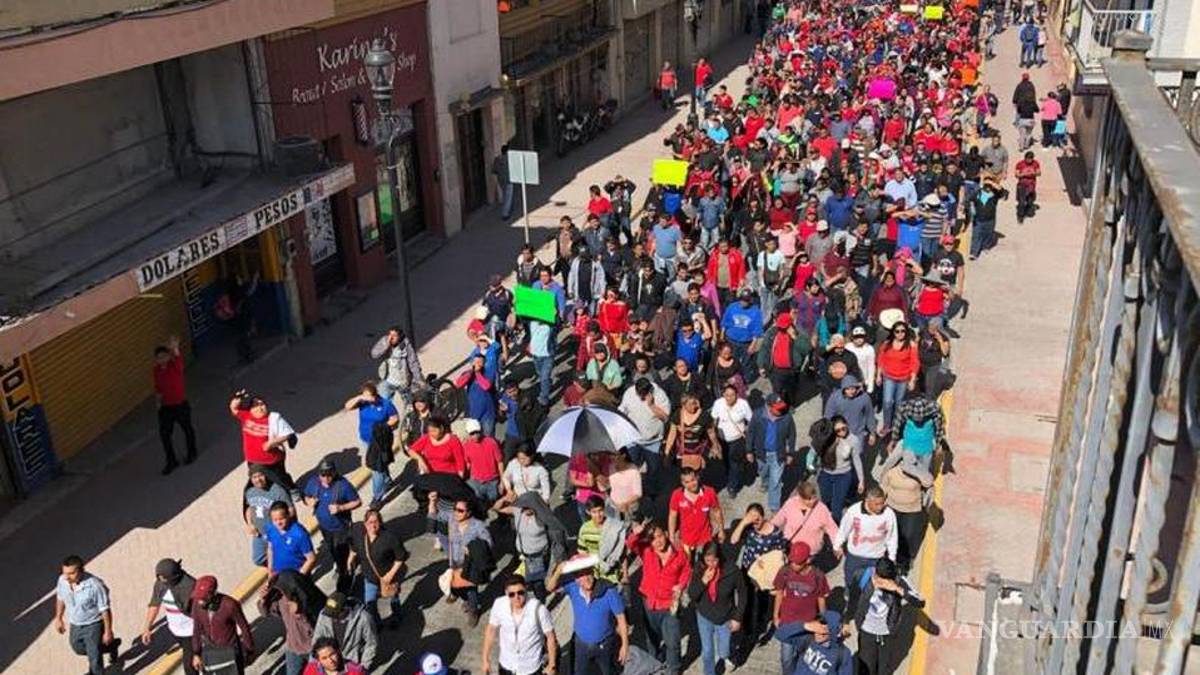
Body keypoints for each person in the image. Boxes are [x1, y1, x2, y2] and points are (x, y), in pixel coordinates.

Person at [546, 555, 630, 674]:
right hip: (581, 646)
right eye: (581, 575)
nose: (586, 578)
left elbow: (621, 618)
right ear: (576, 579)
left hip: (605, 645)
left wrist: (625, 645)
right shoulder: (572, 587)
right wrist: (559, 570)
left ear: (593, 572)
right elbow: (550, 588)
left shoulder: (609, 591)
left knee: (609, 672)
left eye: (588, 572)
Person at [626, 521, 691, 675]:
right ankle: (654, 664)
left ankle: (673, 670)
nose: (658, 541)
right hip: (649, 603)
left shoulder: (679, 553)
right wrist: (637, 532)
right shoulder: (646, 551)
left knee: (672, 642)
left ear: (666, 535)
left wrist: (680, 586)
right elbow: (630, 543)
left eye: (660, 536)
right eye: (653, 539)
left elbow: (686, 571)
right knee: (652, 639)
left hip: (670, 605)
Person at [730, 503, 788, 653]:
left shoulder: (775, 533)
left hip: (764, 575)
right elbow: (733, 541)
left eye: (758, 519)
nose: (755, 523)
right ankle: (747, 629)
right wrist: (744, 522)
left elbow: (781, 554)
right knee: (747, 601)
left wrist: (767, 562)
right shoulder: (748, 528)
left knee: (762, 602)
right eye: (752, 519)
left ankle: (759, 625)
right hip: (748, 571)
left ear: (764, 517)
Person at [852, 558, 924, 675]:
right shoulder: (863, 576)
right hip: (866, 632)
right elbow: (853, 600)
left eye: (883, 581)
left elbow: (920, 602)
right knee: (865, 667)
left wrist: (897, 589)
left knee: (884, 669)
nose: (879, 583)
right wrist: (847, 621)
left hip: (886, 633)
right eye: (877, 579)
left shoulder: (898, 581)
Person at [834, 487, 899, 610]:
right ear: (867, 501)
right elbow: (844, 530)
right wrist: (837, 545)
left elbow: (892, 537)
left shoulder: (889, 514)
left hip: (876, 558)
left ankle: (867, 605)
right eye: (877, 504)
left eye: (882, 503)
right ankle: (850, 601)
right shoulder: (854, 512)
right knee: (850, 581)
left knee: (873, 585)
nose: (880, 507)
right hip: (855, 557)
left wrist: (891, 558)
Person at [687, 543, 747, 675]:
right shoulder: (699, 568)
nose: (711, 564)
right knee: (707, 651)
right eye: (707, 560)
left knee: (723, 651)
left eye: (714, 560)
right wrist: (703, 581)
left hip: (724, 616)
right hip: (704, 615)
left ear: (720, 558)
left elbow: (743, 593)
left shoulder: (732, 571)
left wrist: (737, 617)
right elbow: (692, 594)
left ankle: (730, 655)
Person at [55, 555, 120, 675]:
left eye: (71, 573)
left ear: (81, 571)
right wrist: (58, 618)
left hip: (93, 625)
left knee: (95, 660)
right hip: (75, 624)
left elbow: (105, 610)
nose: (67, 577)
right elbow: (60, 598)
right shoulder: (62, 581)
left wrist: (108, 631)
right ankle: (111, 647)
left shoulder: (95, 585)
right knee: (77, 648)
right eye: (65, 573)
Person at [773, 542, 832, 675]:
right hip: (787, 622)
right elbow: (779, 593)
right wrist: (776, 615)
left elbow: (821, 598)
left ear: (808, 560)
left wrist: (823, 621)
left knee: (806, 657)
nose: (794, 565)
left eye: (798, 563)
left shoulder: (818, 576)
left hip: (809, 624)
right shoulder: (785, 571)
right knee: (786, 658)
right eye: (792, 561)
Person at [303, 460, 361, 593]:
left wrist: (341, 507)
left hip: (341, 528)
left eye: (329, 474)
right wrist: (309, 501)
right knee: (332, 549)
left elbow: (357, 501)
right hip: (324, 527)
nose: (326, 478)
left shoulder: (343, 485)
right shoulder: (313, 483)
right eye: (323, 475)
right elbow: (305, 495)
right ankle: (342, 564)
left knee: (341, 553)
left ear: (334, 473)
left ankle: (345, 580)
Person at [483, 575, 559, 675]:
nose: (516, 597)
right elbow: (491, 630)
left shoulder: (538, 609)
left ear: (526, 590)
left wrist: (552, 664)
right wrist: (485, 660)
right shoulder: (499, 605)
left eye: (520, 592)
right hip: (506, 665)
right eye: (512, 594)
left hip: (530, 668)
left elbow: (550, 636)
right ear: (506, 593)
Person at [875, 451, 935, 574]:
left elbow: (929, 482)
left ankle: (903, 563)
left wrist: (917, 471)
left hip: (912, 510)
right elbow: (883, 488)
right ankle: (888, 560)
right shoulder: (892, 473)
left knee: (907, 536)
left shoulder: (919, 475)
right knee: (891, 534)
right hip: (892, 509)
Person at [347, 508, 408, 624]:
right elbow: (354, 549)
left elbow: (400, 558)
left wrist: (390, 575)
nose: (373, 525)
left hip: (388, 577)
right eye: (370, 522)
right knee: (370, 604)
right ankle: (376, 623)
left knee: (393, 598)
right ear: (365, 524)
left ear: (380, 522)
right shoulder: (360, 537)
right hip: (370, 577)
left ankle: (397, 617)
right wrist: (350, 560)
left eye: (376, 522)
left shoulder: (390, 538)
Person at [343, 381, 399, 507]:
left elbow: (395, 418)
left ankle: (377, 497)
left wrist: (383, 426)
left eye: (370, 396)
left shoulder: (385, 404)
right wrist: (360, 398)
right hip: (366, 440)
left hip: (379, 442)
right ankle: (387, 479)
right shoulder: (362, 403)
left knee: (376, 469)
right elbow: (347, 406)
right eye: (365, 395)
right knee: (377, 464)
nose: (369, 399)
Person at [229, 391, 297, 495]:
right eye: (255, 406)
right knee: (260, 481)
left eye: (262, 405)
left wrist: (271, 443)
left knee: (281, 479)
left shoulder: (273, 419)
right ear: (250, 409)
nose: (260, 408)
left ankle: (292, 490)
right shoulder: (246, 416)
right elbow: (234, 408)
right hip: (252, 460)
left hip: (272, 460)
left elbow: (287, 434)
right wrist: (238, 399)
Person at [260, 570, 325, 675]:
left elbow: (317, 624)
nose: (281, 593)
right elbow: (267, 612)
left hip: (313, 647)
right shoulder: (281, 598)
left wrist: (300, 613)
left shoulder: (308, 597)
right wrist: (263, 600)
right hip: (293, 646)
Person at [142, 559, 198, 675]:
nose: (159, 580)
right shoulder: (160, 583)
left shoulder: (190, 585)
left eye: (162, 577)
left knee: (189, 666)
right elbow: (154, 604)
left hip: (191, 631)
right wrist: (147, 628)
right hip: (175, 630)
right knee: (193, 656)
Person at [442, 498, 493, 626]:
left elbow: (489, 543)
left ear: (468, 513)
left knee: (471, 589)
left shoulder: (477, 525)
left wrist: (473, 549)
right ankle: (467, 601)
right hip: (455, 561)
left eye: (460, 510)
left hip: (471, 564)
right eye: (455, 509)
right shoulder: (452, 521)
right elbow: (450, 540)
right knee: (457, 586)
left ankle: (474, 611)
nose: (456, 513)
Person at [190, 575, 254, 674]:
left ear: (213, 594)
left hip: (230, 650)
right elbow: (196, 629)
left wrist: (249, 650)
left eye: (203, 598)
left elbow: (244, 628)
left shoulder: (230, 605)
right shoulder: (197, 604)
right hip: (210, 650)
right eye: (198, 597)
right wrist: (196, 653)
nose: (199, 601)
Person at [153, 335, 197, 474]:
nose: (161, 360)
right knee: (165, 435)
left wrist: (174, 346)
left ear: (168, 356)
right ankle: (171, 461)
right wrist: (158, 404)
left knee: (187, 429)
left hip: (180, 405)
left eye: (164, 356)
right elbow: (158, 388)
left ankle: (192, 453)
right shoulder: (156, 371)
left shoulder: (175, 365)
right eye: (159, 357)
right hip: (166, 407)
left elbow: (177, 355)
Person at [619, 377, 671, 493]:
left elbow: (665, 418)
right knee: (631, 467)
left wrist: (652, 405)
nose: (641, 397)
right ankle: (633, 491)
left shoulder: (660, 395)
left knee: (653, 469)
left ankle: (651, 492)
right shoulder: (629, 393)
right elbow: (623, 409)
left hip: (653, 442)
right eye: (639, 394)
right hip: (633, 440)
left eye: (643, 394)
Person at [749, 394, 797, 512]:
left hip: (778, 454)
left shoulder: (787, 417)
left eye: (782, 407)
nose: (781, 410)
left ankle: (774, 506)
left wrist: (790, 453)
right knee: (763, 471)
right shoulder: (758, 415)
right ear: (768, 407)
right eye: (777, 408)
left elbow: (792, 435)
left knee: (775, 481)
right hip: (762, 453)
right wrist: (749, 450)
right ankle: (765, 482)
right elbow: (751, 433)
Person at [815, 416, 865, 524]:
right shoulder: (828, 438)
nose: (842, 432)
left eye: (844, 428)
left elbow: (857, 460)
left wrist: (861, 480)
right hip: (826, 473)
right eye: (838, 430)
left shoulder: (853, 440)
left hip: (843, 475)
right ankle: (826, 523)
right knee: (826, 501)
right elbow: (817, 449)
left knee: (837, 505)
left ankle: (835, 529)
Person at [775, 610, 854, 675]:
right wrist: (804, 626)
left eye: (823, 632)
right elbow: (779, 634)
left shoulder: (843, 654)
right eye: (816, 630)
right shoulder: (808, 639)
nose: (818, 634)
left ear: (833, 633)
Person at [312, 593, 377, 671]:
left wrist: (363, 667)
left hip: (352, 663)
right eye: (331, 614)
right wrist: (316, 663)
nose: (332, 617)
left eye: (335, 614)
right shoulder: (324, 614)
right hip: (330, 662)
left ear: (346, 608)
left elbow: (371, 644)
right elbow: (317, 639)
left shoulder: (364, 618)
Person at [244, 465, 293, 567]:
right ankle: (277, 568)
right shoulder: (250, 492)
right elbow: (248, 508)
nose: (258, 480)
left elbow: (290, 510)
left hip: (276, 533)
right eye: (254, 477)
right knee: (258, 559)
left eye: (260, 475)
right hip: (259, 534)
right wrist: (249, 524)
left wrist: (283, 528)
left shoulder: (277, 491)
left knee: (286, 556)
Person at [876, 320, 919, 435]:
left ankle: (896, 424)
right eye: (897, 331)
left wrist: (912, 380)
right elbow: (881, 359)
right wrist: (878, 375)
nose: (900, 334)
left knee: (899, 403)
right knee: (887, 401)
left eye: (903, 331)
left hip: (903, 378)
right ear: (893, 332)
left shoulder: (911, 345)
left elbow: (914, 363)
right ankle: (887, 425)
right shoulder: (887, 344)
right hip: (889, 377)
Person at [711, 383, 753, 497]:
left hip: (737, 440)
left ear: (737, 395)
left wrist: (747, 432)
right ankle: (730, 475)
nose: (730, 398)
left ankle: (732, 486)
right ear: (723, 394)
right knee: (726, 462)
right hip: (722, 440)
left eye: (732, 395)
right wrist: (713, 440)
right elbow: (714, 420)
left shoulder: (743, 404)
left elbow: (750, 420)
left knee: (735, 464)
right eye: (727, 395)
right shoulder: (718, 403)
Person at [369, 326, 424, 412]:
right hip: (388, 380)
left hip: (403, 381)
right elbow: (374, 354)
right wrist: (386, 345)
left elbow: (413, 362)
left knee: (410, 407)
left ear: (400, 337)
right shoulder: (385, 341)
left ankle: (410, 421)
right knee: (382, 405)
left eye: (394, 336)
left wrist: (419, 378)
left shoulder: (406, 345)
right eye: (390, 334)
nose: (391, 338)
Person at [265, 500, 317, 576]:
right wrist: (270, 571)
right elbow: (270, 549)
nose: (278, 523)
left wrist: (297, 577)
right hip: (279, 576)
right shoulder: (270, 528)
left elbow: (311, 559)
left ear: (288, 515)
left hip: (297, 577)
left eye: (281, 519)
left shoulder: (299, 534)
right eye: (275, 520)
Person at [462, 417, 505, 505]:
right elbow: (468, 464)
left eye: (477, 432)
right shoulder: (466, 446)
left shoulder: (491, 442)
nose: (475, 435)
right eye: (472, 433)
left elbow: (500, 462)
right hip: (476, 482)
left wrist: (502, 481)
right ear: (468, 433)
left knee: (493, 503)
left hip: (492, 482)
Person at [302, 637, 367, 675]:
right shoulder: (312, 669)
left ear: (338, 651)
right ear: (319, 660)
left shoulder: (355, 671)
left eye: (332, 654)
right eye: (324, 658)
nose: (330, 661)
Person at [1014, 150, 1042, 223]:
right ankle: (1020, 216)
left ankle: (1027, 210)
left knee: (1030, 201)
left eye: (1030, 159)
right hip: (1022, 185)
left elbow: (1039, 173)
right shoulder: (1020, 164)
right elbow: (1016, 175)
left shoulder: (1036, 163)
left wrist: (1034, 173)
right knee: (1022, 201)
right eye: (1027, 159)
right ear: (1025, 158)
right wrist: (1024, 174)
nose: (1029, 161)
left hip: (1031, 185)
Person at [494, 144, 514, 221]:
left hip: (500, 180)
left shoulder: (497, 159)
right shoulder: (509, 159)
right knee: (508, 197)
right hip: (509, 179)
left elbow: (494, 170)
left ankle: (509, 208)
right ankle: (505, 214)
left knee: (505, 194)